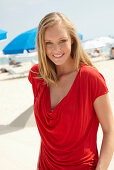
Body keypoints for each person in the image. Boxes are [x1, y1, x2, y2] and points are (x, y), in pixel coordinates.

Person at [28, 12, 114, 170]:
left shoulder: (90, 78)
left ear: (72, 40)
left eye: (62, 40)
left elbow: (110, 131)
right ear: (41, 44)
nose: (56, 49)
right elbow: (47, 135)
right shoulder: (37, 76)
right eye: (49, 43)